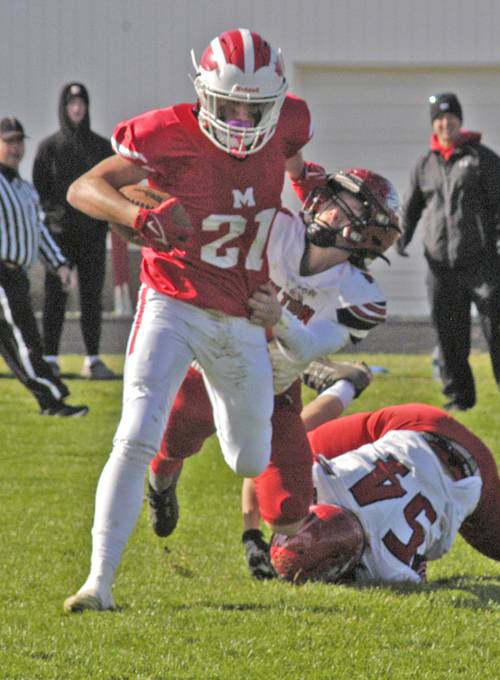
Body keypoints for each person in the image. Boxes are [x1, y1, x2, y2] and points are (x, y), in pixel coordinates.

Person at [63, 28, 314, 613]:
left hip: (240, 315)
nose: (244, 119)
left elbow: (294, 159)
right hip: (171, 298)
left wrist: (313, 187)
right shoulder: (167, 134)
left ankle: (175, 461)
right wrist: (135, 216)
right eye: (230, 104)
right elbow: (84, 187)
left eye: (257, 108)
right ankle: (98, 582)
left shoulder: (291, 123)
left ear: (276, 103)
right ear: (204, 93)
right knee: (134, 433)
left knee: (250, 457)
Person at [146, 168, 399, 548]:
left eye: (341, 206)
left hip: (273, 389)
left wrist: (278, 318)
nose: (326, 208)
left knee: (288, 510)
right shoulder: (279, 228)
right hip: (214, 364)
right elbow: (286, 168)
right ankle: (161, 485)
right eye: (330, 199)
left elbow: (310, 349)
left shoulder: (360, 295)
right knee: (172, 444)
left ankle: (277, 553)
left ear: (366, 231)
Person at [265, 396, 500, 584]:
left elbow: (410, 576)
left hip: (468, 470)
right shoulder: (323, 482)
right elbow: (279, 464)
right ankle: (342, 385)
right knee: (283, 444)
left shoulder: (389, 569)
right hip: (413, 422)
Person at [398, 92, 500, 413]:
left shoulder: (484, 160)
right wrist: (399, 239)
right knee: (449, 334)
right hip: (440, 266)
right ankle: (459, 397)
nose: (446, 124)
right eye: (440, 119)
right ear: (434, 124)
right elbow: (410, 208)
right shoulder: (424, 164)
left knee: (496, 328)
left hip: (480, 262)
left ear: (461, 120)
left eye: (451, 118)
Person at [0, 116, 88, 417]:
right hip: (2, 275)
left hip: (17, 275)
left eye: (18, 142)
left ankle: (50, 399)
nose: (15, 148)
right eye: (8, 141)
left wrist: (60, 264)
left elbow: (38, 234)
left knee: (17, 342)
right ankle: (52, 399)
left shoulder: (24, 189)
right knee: (26, 338)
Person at [33, 82, 116, 379]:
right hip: (59, 238)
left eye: (81, 103)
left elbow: (111, 188)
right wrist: (55, 221)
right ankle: (51, 358)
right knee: (55, 296)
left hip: (93, 236)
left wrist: (102, 222)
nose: (77, 108)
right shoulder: (49, 148)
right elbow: (41, 190)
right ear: (64, 107)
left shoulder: (101, 147)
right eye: (71, 103)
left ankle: (93, 359)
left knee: (91, 298)